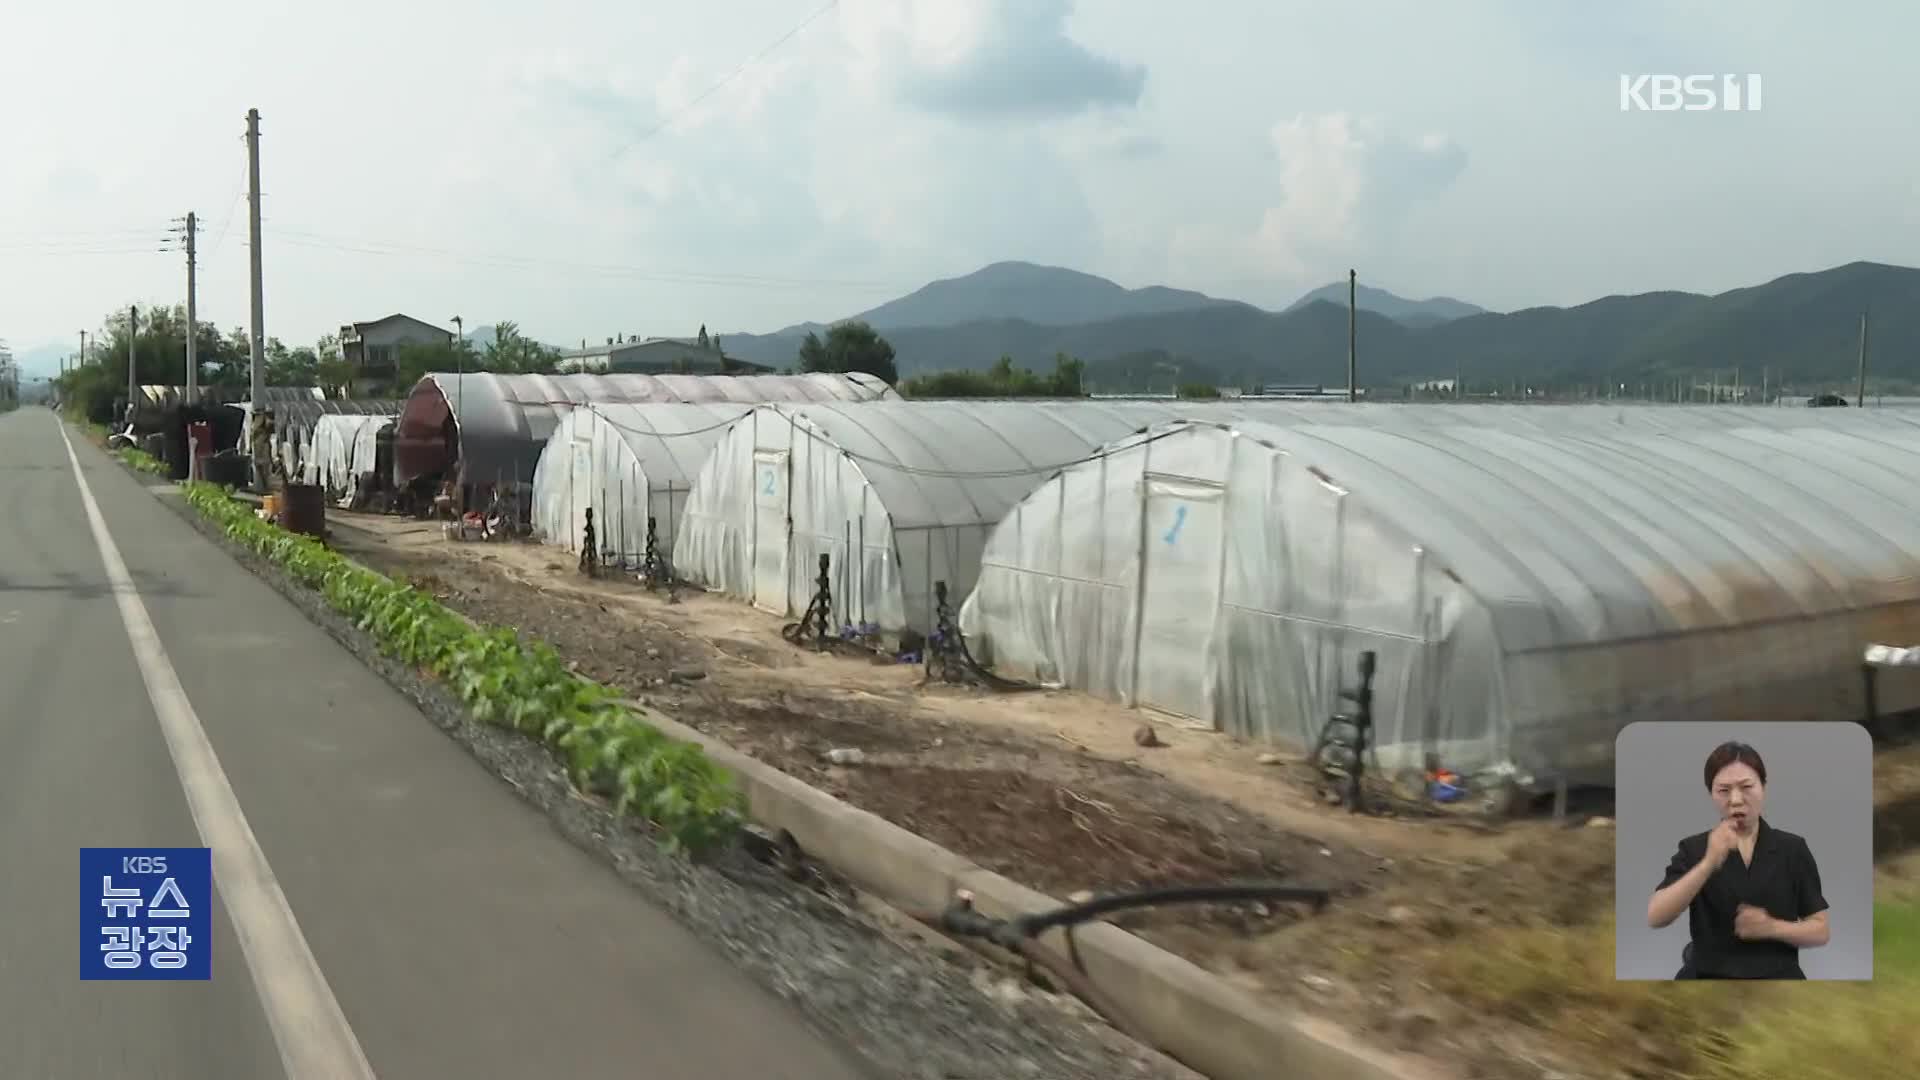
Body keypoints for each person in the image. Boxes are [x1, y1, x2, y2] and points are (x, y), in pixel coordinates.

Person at [1645, 741, 1831, 979]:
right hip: (1707, 977)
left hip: (1778, 978)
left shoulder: (1792, 849)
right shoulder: (1693, 848)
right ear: (1710, 793)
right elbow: (1656, 916)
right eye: (1723, 790)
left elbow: (1821, 929)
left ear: (1763, 787)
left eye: (1746, 787)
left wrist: (1772, 928)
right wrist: (1707, 863)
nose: (1735, 799)